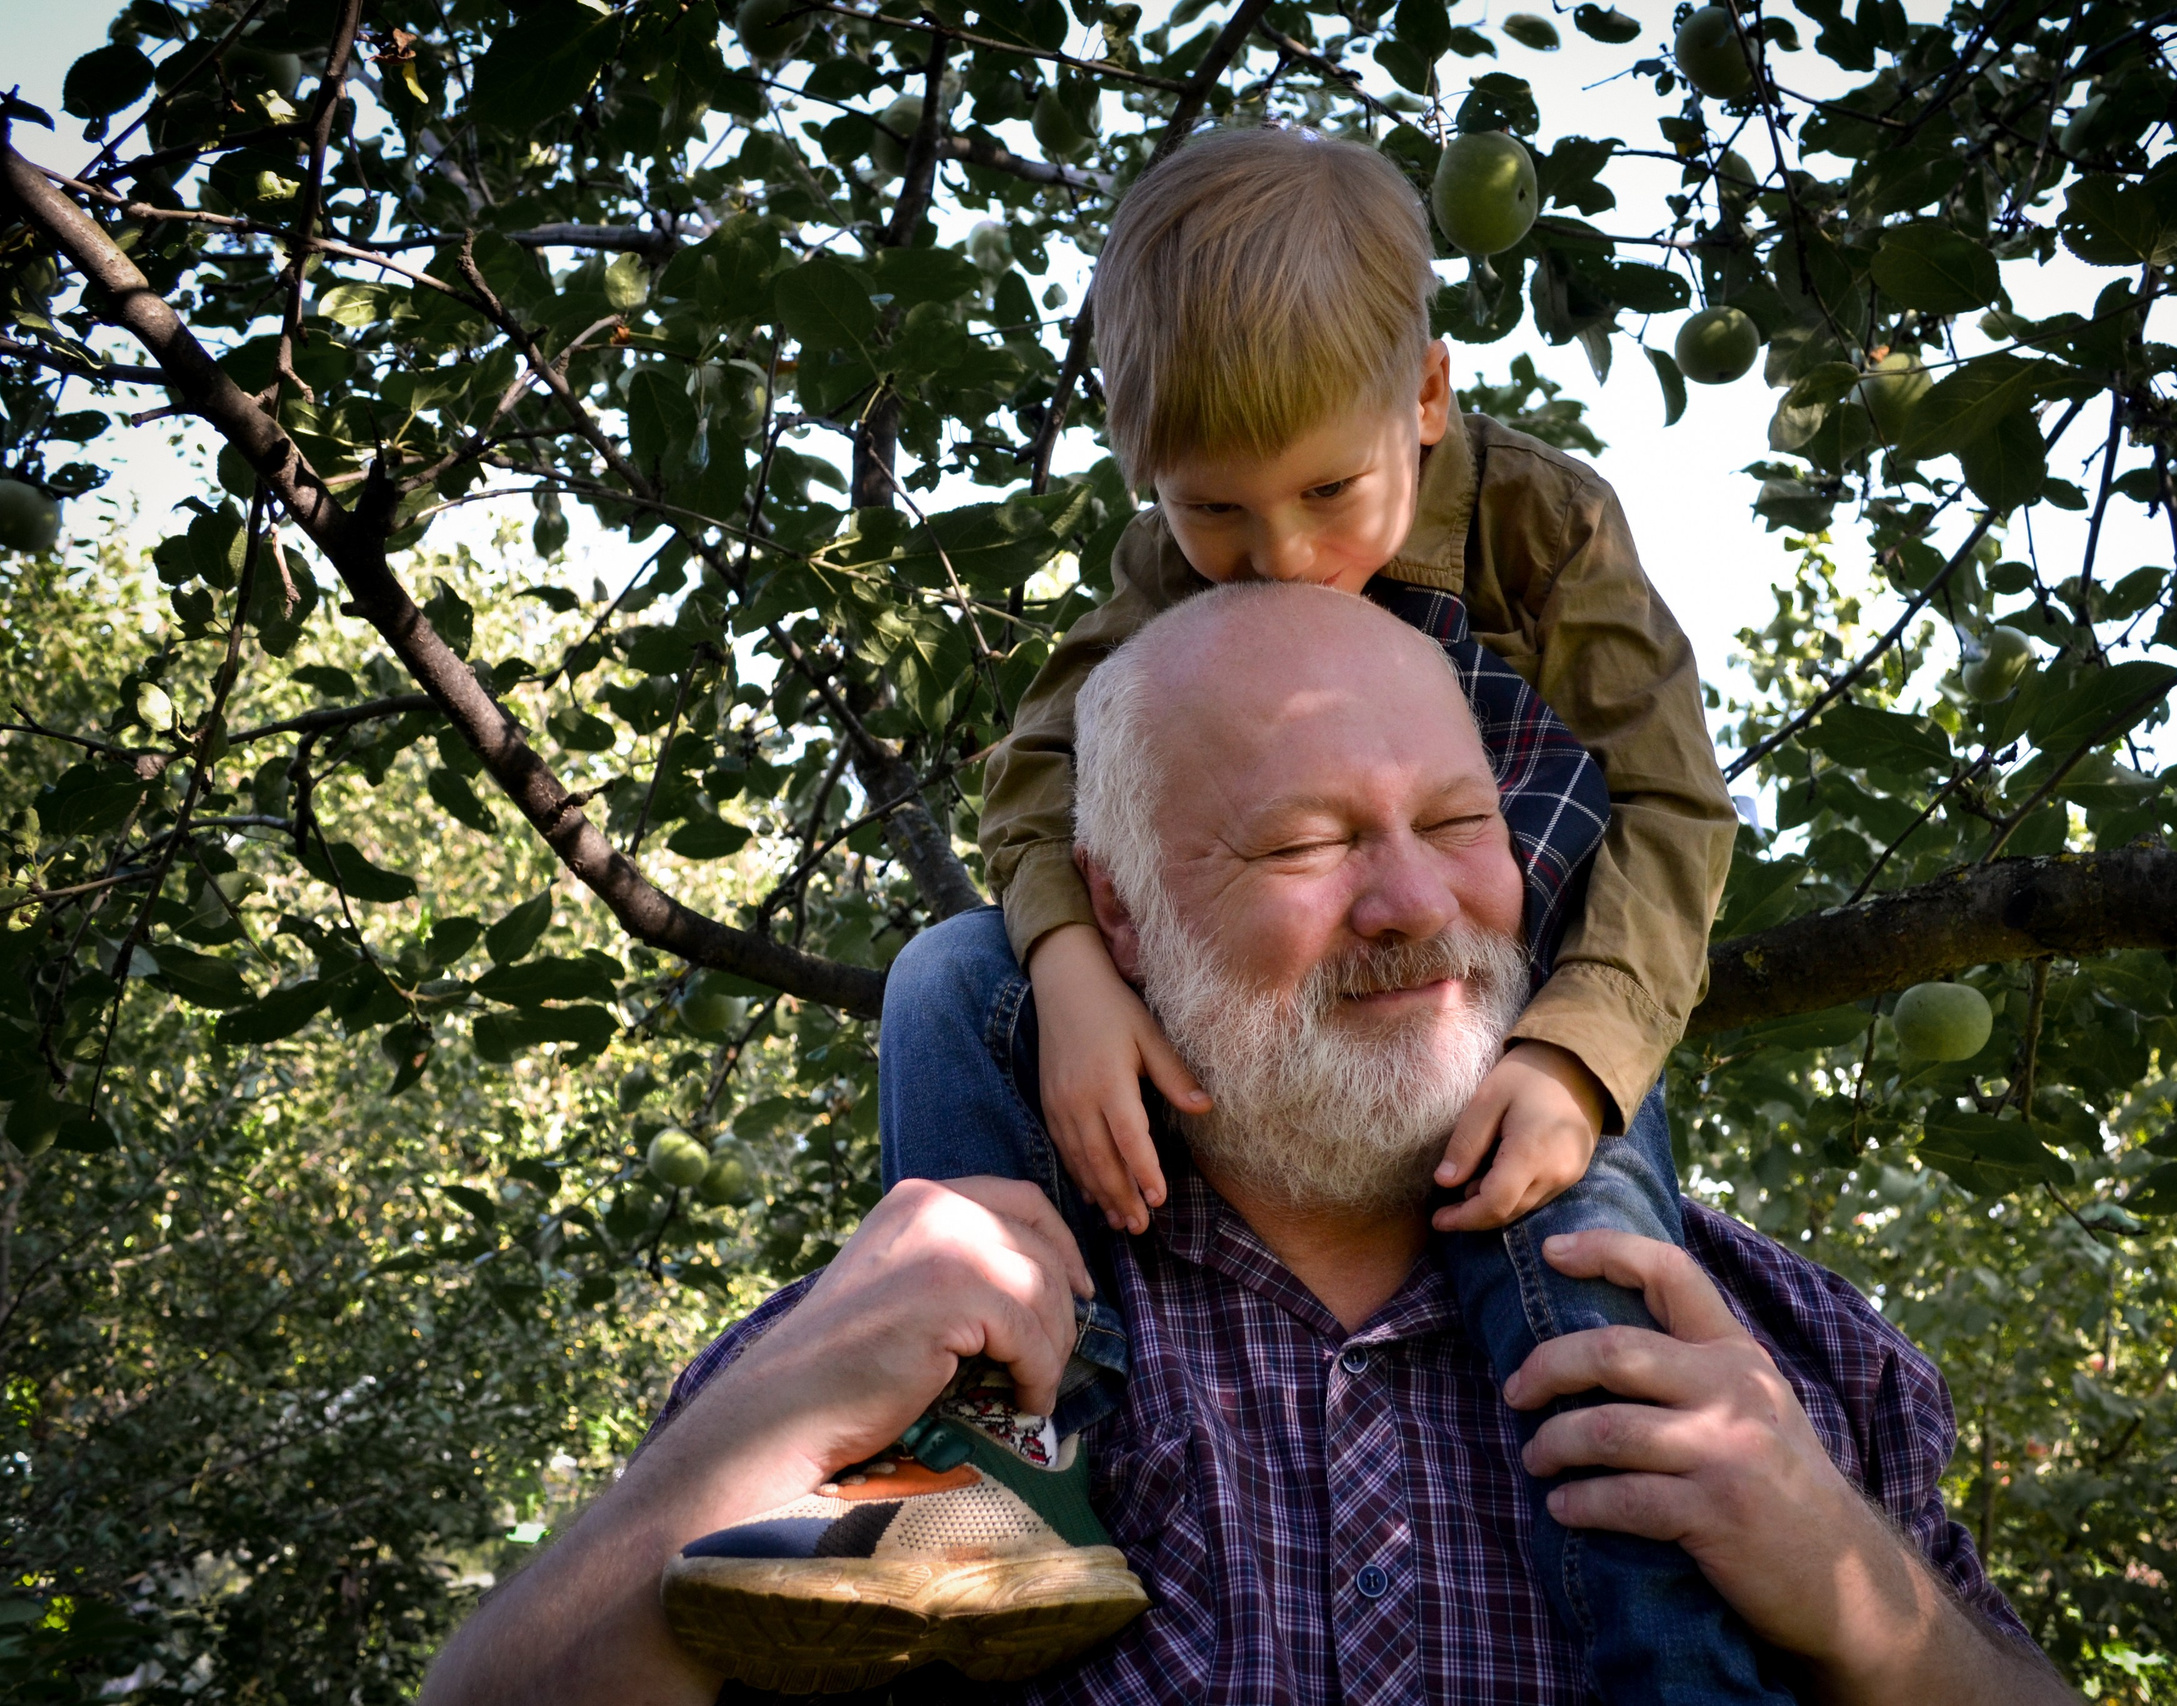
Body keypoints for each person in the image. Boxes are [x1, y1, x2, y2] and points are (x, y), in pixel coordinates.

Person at [418, 586, 2075, 1705]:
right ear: (1114, 925)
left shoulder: (1782, 1362)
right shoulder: (911, 1347)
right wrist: (769, 1413)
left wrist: (1859, 1588)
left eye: (1456, 823)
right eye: (1304, 841)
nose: (1419, 906)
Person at [705, 122, 1760, 1698]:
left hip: (1518, 1001)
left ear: (1426, 398)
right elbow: (1034, 773)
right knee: (942, 976)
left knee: (1601, 1323)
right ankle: (995, 1456)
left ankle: (1681, 1670)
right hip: (1268, 1013)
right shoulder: (1161, 559)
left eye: (1331, 492)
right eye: (1216, 517)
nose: (1279, 559)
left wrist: (1580, 1055)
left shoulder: (1547, 527)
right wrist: (1064, 960)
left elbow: (1677, 807)